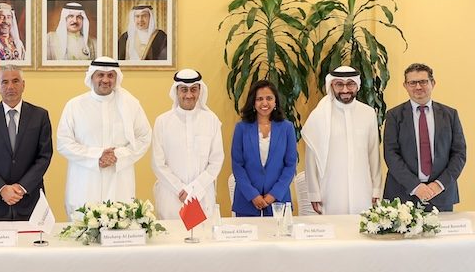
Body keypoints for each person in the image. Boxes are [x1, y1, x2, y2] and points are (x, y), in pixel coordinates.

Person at [57, 57, 151, 217]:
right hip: (85, 181)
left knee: (119, 230)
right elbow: (63, 143)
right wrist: (97, 156)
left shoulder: (131, 105)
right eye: (100, 75)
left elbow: (144, 137)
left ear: (117, 78)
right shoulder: (74, 105)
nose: (105, 80)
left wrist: (118, 155)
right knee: (84, 233)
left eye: (110, 75)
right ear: (91, 77)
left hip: (119, 180)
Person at [0, 66, 53, 221]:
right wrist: (2, 189)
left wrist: (21, 188)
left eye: (15, 81)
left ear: (23, 85)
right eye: (5, 82)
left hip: (30, 200)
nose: (10, 87)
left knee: (31, 245)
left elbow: (44, 156)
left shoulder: (40, 116)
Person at [383, 63, 466, 212]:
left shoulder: (450, 115)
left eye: (423, 81)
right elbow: (390, 154)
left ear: (433, 83)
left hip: (440, 194)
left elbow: (459, 154)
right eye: (412, 82)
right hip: (402, 195)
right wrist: (415, 186)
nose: (418, 87)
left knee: (440, 235)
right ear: (405, 86)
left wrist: (439, 184)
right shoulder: (394, 115)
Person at [302, 66, 381, 215]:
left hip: (362, 188)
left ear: (357, 85)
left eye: (350, 84)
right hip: (330, 190)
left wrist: (376, 189)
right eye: (339, 84)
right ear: (331, 85)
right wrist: (314, 193)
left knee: (362, 231)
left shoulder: (368, 113)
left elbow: (373, 154)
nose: (345, 90)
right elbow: (311, 159)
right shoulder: (319, 116)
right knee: (335, 232)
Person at [152, 69, 225, 219]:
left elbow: (216, 160)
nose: (189, 95)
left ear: (200, 91)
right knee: (171, 240)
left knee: (202, 238)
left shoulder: (211, 120)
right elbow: (157, 163)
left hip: (202, 195)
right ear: (176, 91)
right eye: (184, 90)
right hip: (171, 196)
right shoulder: (163, 122)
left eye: (193, 90)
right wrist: (180, 189)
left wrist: (194, 189)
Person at [231, 80, 297, 216]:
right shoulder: (241, 128)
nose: (265, 103)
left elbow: (290, 165)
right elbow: (237, 165)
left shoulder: (287, 128)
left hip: (278, 201)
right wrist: (253, 195)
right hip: (246, 201)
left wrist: (273, 195)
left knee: (279, 237)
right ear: (253, 103)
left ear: (275, 102)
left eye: (269, 98)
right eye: (259, 99)